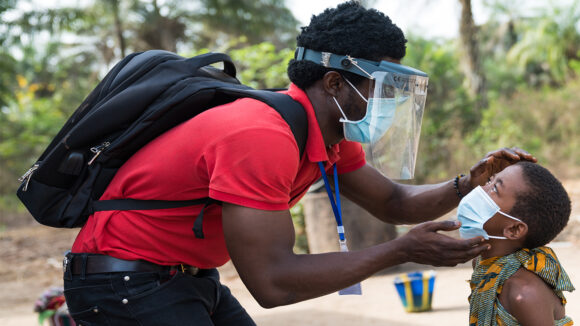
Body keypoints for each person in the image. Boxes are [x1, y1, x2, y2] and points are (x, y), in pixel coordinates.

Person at [63, 2, 537, 325]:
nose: (388, 102)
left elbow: (393, 203)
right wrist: (399, 252)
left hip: (181, 276)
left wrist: (466, 183)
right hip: (124, 282)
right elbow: (272, 283)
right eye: (382, 87)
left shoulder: (326, 134)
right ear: (334, 83)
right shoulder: (261, 137)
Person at [458, 162, 574, 325]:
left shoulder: (525, 293)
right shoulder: (482, 263)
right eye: (489, 181)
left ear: (513, 229)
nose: (480, 190)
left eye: (494, 189)